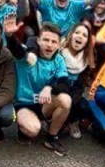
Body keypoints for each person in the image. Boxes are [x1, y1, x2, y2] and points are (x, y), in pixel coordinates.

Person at [9, 22, 73, 156]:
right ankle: (23, 127)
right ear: (38, 41)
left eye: (53, 41)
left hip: (43, 103)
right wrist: (9, 35)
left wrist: (49, 88)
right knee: (33, 130)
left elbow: (65, 84)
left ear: (59, 44)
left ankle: (51, 137)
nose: (49, 44)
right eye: (46, 40)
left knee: (65, 100)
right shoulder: (28, 55)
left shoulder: (59, 60)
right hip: (24, 104)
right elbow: (16, 49)